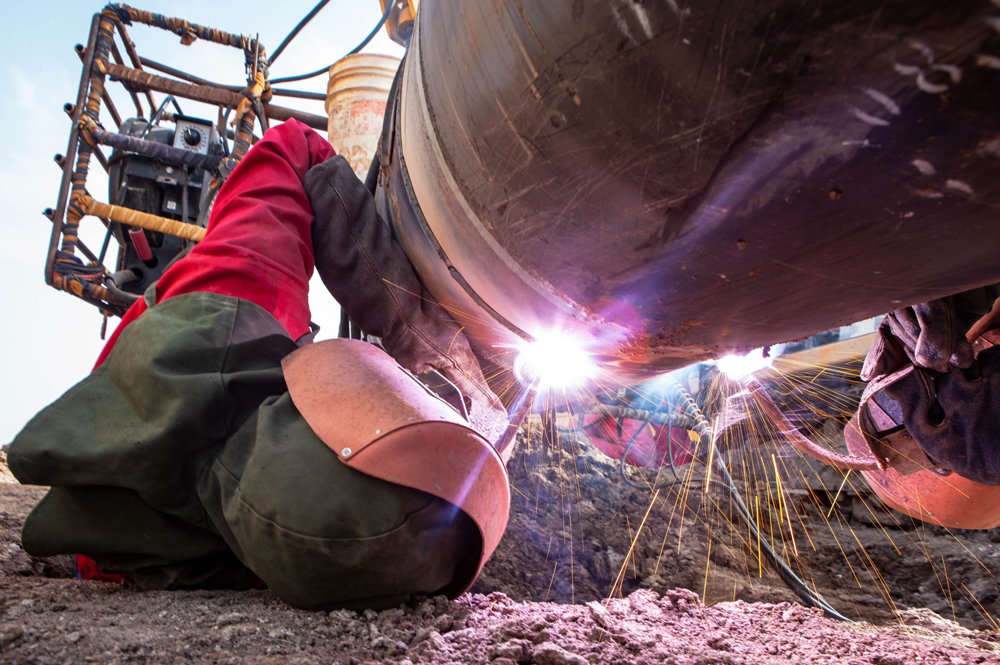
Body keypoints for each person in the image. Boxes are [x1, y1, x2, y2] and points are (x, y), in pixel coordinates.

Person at [7, 119, 507, 610]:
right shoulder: (247, 256)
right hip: (208, 352)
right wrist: (422, 336)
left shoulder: (195, 298)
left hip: (127, 514)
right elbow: (299, 143)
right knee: (394, 515)